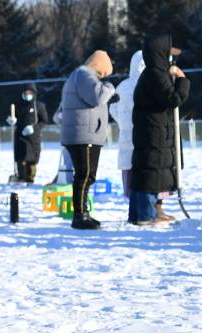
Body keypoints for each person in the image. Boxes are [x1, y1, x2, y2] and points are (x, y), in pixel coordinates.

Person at [129, 33, 190, 225]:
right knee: (151, 170)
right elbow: (172, 99)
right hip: (154, 132)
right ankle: (146, 215)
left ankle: (140, 213)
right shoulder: (155, 74)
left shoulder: (152, 72)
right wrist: (182, 79)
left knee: (145, 169)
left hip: (152, 130)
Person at [59, 51, 116, 229]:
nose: (104, 77)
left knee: (86, 175)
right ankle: (80, 216)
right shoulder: (84, 74)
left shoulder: (80, 75)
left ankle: (83, 213)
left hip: (85, 133)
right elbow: (97, 97)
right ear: (99, 65)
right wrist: (110, 87)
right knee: (84, 175)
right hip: (83, 134)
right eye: (104, 73)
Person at [109, 50, 144, 197]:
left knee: (127, 167)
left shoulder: (122, 86)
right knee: (142, 167)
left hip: (125, 136)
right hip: (143, 134)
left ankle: (128, 193)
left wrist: (123, 122)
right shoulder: (147, 84)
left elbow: (112, 108)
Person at [7, 84, 48, 183]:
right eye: (25, 93)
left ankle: (30, 178)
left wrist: (34, 128)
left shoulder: (39, 106)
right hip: (20, 135)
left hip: (33, 137)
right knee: (20, 157)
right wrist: (11, 120)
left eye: (29, 93)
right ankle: (21, 177)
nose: (27, 95)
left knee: (32, 158)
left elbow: (44, 121)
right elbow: (12, 117)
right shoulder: (18, 105)